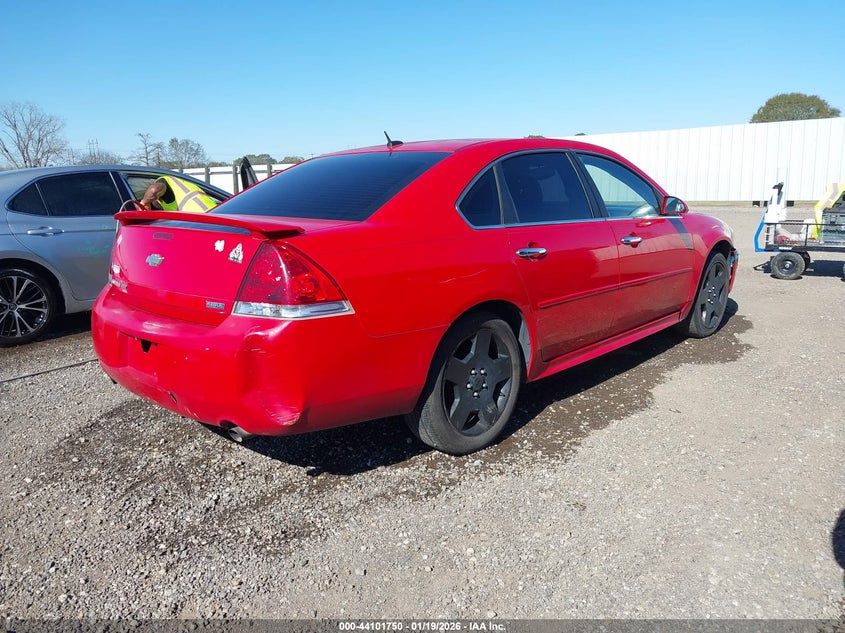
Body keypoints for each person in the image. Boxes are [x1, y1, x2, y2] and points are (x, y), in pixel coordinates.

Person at [139, 175, 219, 213]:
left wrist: (143, 203)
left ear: (158, 197)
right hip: (216, 214)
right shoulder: (181, 188)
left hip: (204, 220)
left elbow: (154, 190)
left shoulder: (166, 182)